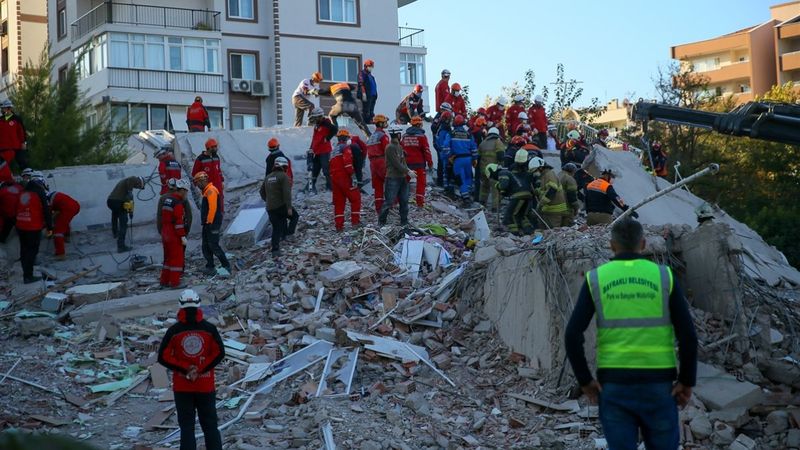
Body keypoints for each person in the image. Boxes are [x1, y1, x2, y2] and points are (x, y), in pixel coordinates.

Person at [565, 218, 697, 450]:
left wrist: (585, 381)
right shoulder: (664, 276)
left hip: (614, 386)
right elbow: (687, 335)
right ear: (643, 244)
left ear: (612, 245)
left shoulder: (596, 278)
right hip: (658, 385)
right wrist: (686, 380)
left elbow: (572, 335)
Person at [157, 289, 225, 450]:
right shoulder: (209, 329)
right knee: (210, 426)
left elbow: (163, 357)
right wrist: (200, 369)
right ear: (199, 305)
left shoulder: (174, 331)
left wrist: (186, 369)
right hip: (205, 385)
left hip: (182, 386)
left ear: (180, 306)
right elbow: (219, 353)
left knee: (187, 427)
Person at [16, 173, 52, 283]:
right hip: (33, 227)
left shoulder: (22, 193)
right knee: (32, 250)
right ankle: (28, 276)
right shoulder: (39, 192)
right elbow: (46, 210)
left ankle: (26, 274)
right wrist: (50, 227)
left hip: (20, 225)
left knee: (24, 250)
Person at [193, 171, 231, 275]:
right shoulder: (207, 191)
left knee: (213, 245)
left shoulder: (211, 190)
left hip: (212, 223)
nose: (197, 186)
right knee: (206, 245)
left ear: (202, 181)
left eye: (198, 183)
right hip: (208, 223)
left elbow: (212, 208)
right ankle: (210, 266)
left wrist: (209, 222)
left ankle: (226, 265)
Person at [378, 125, 415, 226]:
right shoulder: (390, 147)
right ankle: (381, 221)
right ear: (398, 134)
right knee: (389, 201)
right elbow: (396, 164)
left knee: (404, 200)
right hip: (392, 178)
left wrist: (408, 170)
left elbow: (403, 162)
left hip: (402, 178)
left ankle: (404, 221)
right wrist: (408, 171)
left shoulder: (399, 147)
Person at [261, 157, 297, 257]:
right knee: (295, 217)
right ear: (284, 166)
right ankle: (289, 234)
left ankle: (275, 250)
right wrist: (289, 208)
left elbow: (262, 192)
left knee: (276, 228)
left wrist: (268, 200)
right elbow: (287, 193)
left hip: (270, 208)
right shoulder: (283, 176)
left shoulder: (268, 177)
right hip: (281, 206)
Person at [498, 149, 537, 235]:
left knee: (510, 215)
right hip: (528, 195)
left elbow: (507, 182)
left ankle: (514, 233)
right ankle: (528, 231)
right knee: (523, 215)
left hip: (517, 195)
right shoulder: (529, 168)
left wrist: (502, 190)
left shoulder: (512, 168)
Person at [329, 130, 362, 231]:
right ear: (346, 138)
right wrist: (353, 176)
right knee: (355, 199)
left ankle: (339, 226)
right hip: (344, 177)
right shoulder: (346, 148)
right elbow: (348, 164)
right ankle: (355, 222)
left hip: (334, 178)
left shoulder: (333, 151)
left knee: (339, 203)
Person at [159, 179, 188, 288]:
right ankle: (175, 283)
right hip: (173, 234)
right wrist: (182, 236)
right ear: (182, 190)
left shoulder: (167, 200)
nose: (186, 195)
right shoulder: (177, 203)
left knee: (168, 258)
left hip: (165, 232)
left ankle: (164, 281)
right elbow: (178, 222)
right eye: (186, 192)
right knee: (176, 258)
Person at [401, 116, 433, 208]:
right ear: (419, 125)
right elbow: (426, 151)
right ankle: (420, 203)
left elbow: (401, 149)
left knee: (403, 182)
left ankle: (398, 201)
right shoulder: (422, 136)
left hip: (407, 164)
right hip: (419, 164)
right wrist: (430, 163)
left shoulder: (404, 136)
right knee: (421, 183)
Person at [107, 176, 144, 253]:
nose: (137, 188)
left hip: (111, 201)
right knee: (123, 223)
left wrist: (130, 211)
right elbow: (130, 199)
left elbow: (129, 202)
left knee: (114, 215)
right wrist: (131, 212)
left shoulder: (125, 187)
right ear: (140, 183)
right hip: (118, 202)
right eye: (139, 187)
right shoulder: (133, 179)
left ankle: (115, 233)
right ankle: (121, 246)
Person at [530, 157, 568, 228]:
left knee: (552, 230)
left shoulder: (549, 175)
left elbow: (551, 191)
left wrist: (540, 204)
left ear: (540, 168)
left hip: (554, 210)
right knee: (545, 231)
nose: (534, 173)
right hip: (549, 209)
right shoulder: (545, 175)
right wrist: (537, 191)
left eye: (535, 170)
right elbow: (545, 190)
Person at [448, 115, 478, 206]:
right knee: (468, 177)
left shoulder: (451, 133)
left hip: (458, 160)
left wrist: (448, 157)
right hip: (468, 159)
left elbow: (446, 147)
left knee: (460, 179)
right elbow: (474, 147)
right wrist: (475, 158)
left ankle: (465, 198)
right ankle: (468, 194)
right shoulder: (468, 134)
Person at [307, 107, 338, 194]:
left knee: (326, 170)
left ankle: (331, 188)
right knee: (314, 170)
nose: (314, 119)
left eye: (315, 117)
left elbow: (335, 129)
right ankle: (310, 187)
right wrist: (311, 149)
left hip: (325, 151)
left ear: (320, 116)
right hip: (317, 151)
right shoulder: (317, 126)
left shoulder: (326, 123)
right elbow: (314, 139)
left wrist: (327, 138)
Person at [192, 138, 224, 213]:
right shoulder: (200, 159)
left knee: (220, 201)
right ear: (208, 148)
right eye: (214, 147)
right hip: (208, 186)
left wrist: (222, 181)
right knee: (210, 203)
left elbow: (218, 170)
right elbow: (194, 173)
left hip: (218, 184)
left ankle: (220, 215)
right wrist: (199, 185)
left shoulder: (216, 157)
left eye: (216, 146)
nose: (216, 148)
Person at [366, 114, 390, 213]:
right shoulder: (383, 136)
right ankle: (392, 204)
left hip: (372, 163)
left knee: (378, 187)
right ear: (380, 123)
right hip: (381, 161)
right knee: (391, 182)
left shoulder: (371, 137)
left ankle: (379, 208)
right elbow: (387, 150)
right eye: (384, 122)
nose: (386, 124)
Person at [157, 178, 193, 244]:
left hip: (167, 231)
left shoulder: (163, 198)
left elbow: (159, 216)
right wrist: (186, 230)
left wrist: (160, 230)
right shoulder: (183, 198)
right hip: (180, 230)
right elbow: (189, 215)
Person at [477, 127, 505, 211]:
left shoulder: (483, 143)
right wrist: (501, 166)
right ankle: (495, 207)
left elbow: (478, 157)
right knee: (495, 189)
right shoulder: (498, 142)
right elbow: (501, 155)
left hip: (483, 170)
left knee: (484, 187)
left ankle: (482, 203)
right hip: (494, 170)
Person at [48, 190, 80, 260]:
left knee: (57, 231)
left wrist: (47, 226)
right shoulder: (52, 195)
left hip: (68, 208)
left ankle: (60, 254)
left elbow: (48, 215)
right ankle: (66, 237)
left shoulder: (45, 200)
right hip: (75, 205)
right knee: (63, 222)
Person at [0, 100, 28, 170]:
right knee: (3, 166)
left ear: (9, 108)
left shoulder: (17, 118)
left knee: (22, 163)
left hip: (16, 146)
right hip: (3, 148)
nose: (2, 110)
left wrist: (23, 142)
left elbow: (22, 132)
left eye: (3, 108)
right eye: (2, 108)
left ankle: (27, 175)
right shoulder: (0, 120)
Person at [431, 103, 453, 187]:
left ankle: (446, 180)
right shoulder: (438, 117)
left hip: (442, 142)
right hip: (439, 142)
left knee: (446, 162)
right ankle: (441, 181)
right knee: (441, 161)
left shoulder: (445, 117)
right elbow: (434, 128)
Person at [434, 111, 455, 195]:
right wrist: (448, 153)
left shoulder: (441, 128)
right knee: (447, 171)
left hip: (443, 153)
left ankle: (446, 186)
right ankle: (447, 188)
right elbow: (444, 143)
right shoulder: (444, 129)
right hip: (446, 154)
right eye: (450, 119)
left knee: (445, 170)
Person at [357, 59, 378, 124]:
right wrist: (363, 93)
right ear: (365, 66)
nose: (371, 68)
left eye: (371, 67)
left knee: (371, 109)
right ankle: (365, 122)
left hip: (373, 95)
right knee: (366, 109)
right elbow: (361, 83)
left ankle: (370, 120)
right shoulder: (362, 73)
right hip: (366, 95)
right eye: (369, 66)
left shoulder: (371, 76)